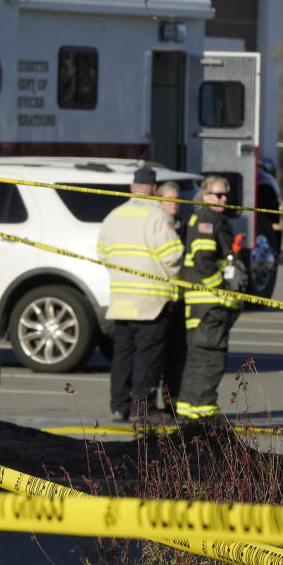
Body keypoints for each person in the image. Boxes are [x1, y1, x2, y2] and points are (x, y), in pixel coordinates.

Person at [97, 167, 184, 422]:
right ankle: (142, 408)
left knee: (123, 355)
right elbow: (173, 255)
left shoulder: (114, 215)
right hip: (151, 300)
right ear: (154, 190)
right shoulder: (157, 216)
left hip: (122, 300)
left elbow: (102, 251)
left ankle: (119, 406)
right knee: (148, 357)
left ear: (132, 188)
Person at [175, 175, 243, 421]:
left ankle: (187, 410)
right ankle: (205, 411)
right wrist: (223, 292)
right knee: (210, 356)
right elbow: (204, 262)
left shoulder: (210, 218)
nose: (223, 199)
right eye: (217, 194)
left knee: (196, 357)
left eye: (225, 195)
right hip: (209, 304)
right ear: (204, 195)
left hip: (201, 303)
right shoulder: (207, 219)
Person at [156, 181, 186, 406]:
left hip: (179, 299)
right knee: (154, 356)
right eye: (169, 200)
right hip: (156, 299)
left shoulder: (183, 226)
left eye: (176, 199)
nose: (174, 204)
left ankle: (171, 403)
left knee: (177, 356)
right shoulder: (154, 225)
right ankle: (144, 404)